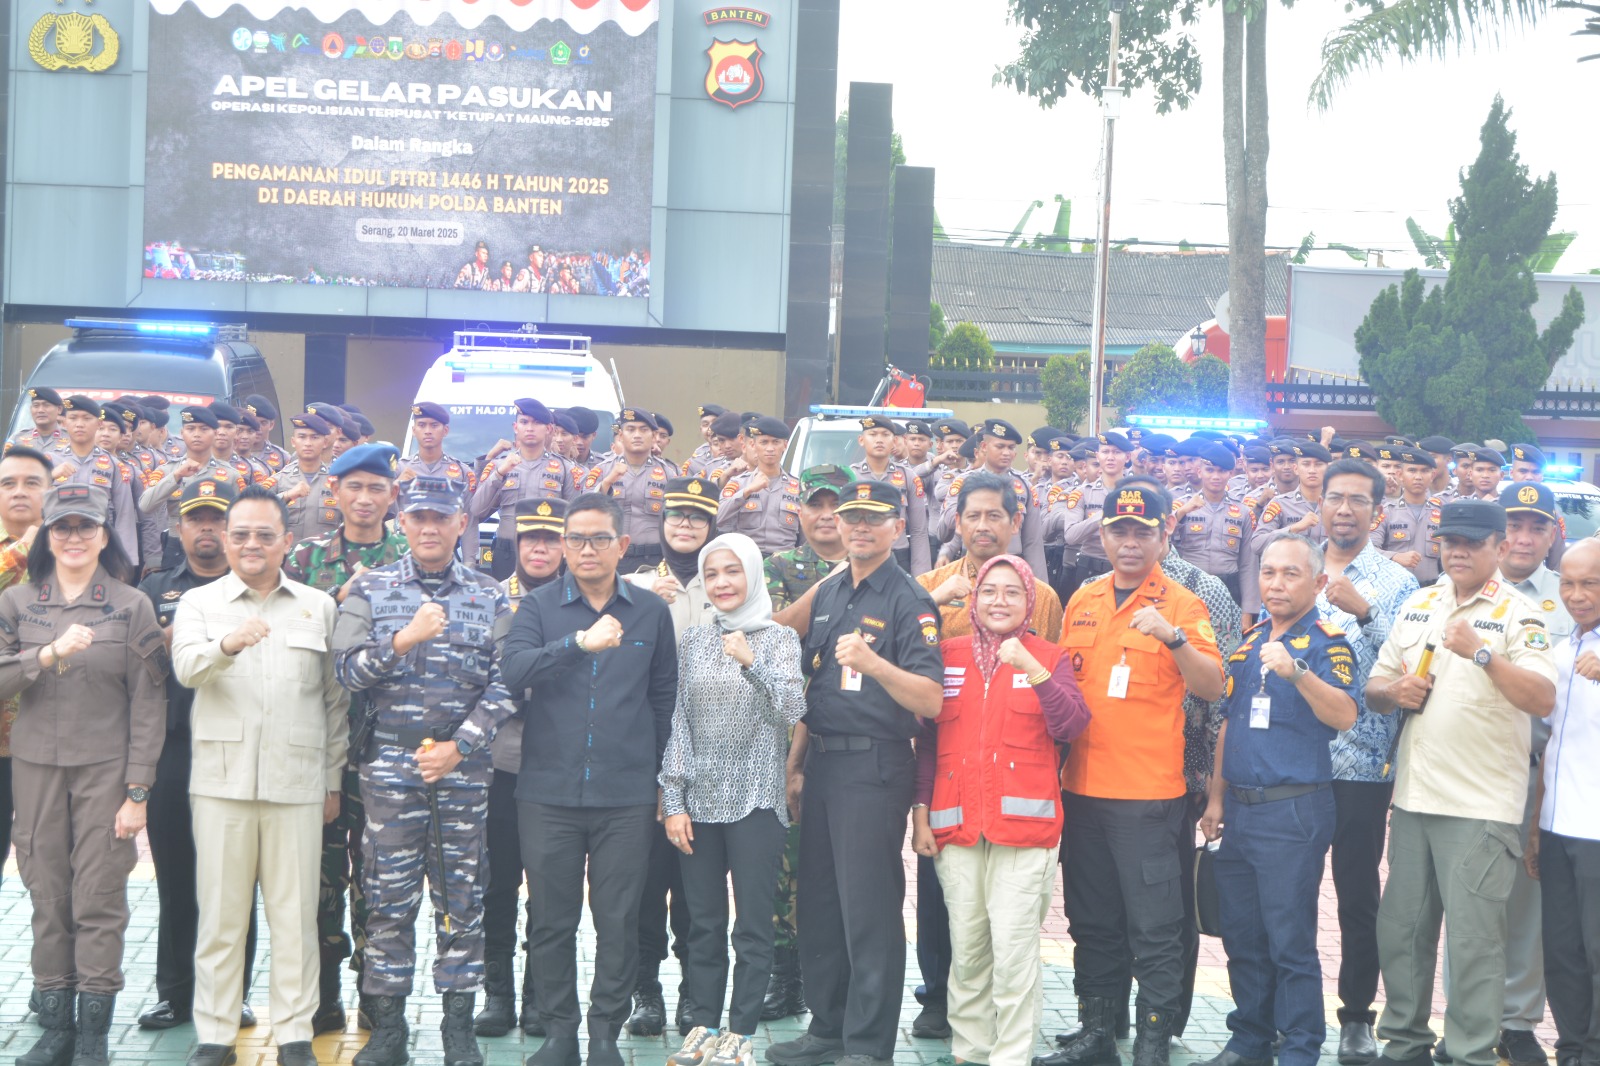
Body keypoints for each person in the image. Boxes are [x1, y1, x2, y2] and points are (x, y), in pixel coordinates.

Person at [1364, 499, 1557, 1066]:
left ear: (1500, 547)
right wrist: (1393, 692)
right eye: (1450, 541)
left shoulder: (1522, 614)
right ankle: (1404, 1046)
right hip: (1414, 797)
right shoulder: (1419, 603)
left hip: (1480, 807)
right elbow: (1375, 687)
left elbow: (1542, 698)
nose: (1459, 551)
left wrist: (1482, 654)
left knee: (1473, 944)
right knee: (1402, 933)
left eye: (1473, 542)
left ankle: (1472, 1053)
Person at [333, 476, 518, 1066]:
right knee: (387, 897)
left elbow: (509, 683)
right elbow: (345, 671)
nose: (430, 528)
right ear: (402, 523)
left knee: (463, 897)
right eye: (419, 518)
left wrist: (461, 745)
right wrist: (402, 641)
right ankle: (388, 1029)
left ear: (462, 524)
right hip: (390, 766)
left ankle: (458, 1031)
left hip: (462, 769)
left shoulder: (490, 595)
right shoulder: (371, 588)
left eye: (442, 517)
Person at [1039, 482, 1224, 1066]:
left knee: (1155, 928)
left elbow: (1212, 686)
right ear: (1102, 534)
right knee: (1091, 920)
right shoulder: (1083, 599)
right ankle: (1097, 1032)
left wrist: (1173, 639)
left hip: (1147, 798)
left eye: (1142, 532)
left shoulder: (1182, 605)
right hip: (1082, 789)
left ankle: (1151, 1041)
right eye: (1119, 530)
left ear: (1164, 535)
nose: (1129, 542)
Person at [765, 479, 944, 1066]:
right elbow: (809, 676)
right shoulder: (832, 589)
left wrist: (875, 664)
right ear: (837, 525)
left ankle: (868, 1045)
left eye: (874, 517)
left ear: (898, 527)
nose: (860, 527)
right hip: (822, 760)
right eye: (851, 517)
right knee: (820, 904)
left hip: (874, 765)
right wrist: (796, 765)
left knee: (868, 910)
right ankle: (829, 1027)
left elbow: (931, 699)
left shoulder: (909, 599)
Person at [499, 492, 680, 1066]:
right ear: (563, 545)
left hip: (625, 794)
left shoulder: (649, 611)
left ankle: (604, 1033)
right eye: (575, 539)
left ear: (622, 545)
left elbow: (664, 700)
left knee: (618, 919)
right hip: (547, 791)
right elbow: (514, 671)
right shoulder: (538, 606)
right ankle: (559, 1033)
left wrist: (662, 782)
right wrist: (578, 643)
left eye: (599, 538)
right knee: (552, 920)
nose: (585, 549)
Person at [170, 485, 348, 1066]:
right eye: (241, 534)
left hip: (297, 784)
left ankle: (294, 1034)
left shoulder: (317, 606)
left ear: (287, 541)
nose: (252, 544)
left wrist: (332, 779)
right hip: (221, 784)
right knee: (221, 919)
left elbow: (334, 700)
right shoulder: (200, 603)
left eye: (264, 535)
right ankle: (216, 1035)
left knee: (294, 918)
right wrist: (227, 643)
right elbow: (187, 668)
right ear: (225, 540)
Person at [0, 483, 167, 1066]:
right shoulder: (18, 602)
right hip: (36, 771)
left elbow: (149, 703)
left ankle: (93, 1034)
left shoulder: (130, 604)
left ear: (104, 536)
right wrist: (45, 654)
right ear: (47, 536)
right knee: (48, 898)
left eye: (85, 527)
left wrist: (137, 791)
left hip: (105, 771)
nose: (74, 537)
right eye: (63, 527)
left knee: (98, 899)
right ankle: (56, 1029)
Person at [912, 554, 1090, 1066]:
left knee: (1013, 955)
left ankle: (1010, 1057)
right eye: (989, 591)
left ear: (1029, 602)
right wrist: (920, 810)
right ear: (973, 599)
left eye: (1013, 592)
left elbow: (1072, 725)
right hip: (956, 827)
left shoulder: (1049, 656)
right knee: (968, 952)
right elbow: (927, 743)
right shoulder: (947, 655)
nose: (999, 601)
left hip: (1025, 831)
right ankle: (970, 1052)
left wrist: (1033, 670)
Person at [1196, 535, 1358, 1066]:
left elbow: (1345, 715)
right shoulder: (1250, 641)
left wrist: (1297, 671)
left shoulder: (1328, 643)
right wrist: (1216, 800)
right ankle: (1250, 1038)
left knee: (1289, 939)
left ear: (1317, 582)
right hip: (1241, 810)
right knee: (1242, 936)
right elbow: (1229, 724)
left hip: (1293, 811)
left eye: (1291, 573)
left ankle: (1301, 1047)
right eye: (1268, 573)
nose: (1277, 584)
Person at [1435, 483, 1575, 1066]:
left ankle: (1517, 1022)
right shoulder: (1450, 591)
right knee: (1466, 905)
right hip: (1471, 768)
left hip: (1542, 774)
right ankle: (1464, 1021)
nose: (1523, 538)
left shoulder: (1571, 596)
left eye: (1536, 527)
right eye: (1513, 526)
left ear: (1553, 535)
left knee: (1525, 907)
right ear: (1496, 536)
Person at [661, 532, 807, 1066]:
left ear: (752, 575)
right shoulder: (694, 641)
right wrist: (673, 798)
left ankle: (740, 1031)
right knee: (702, 924)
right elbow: (678, 721)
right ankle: (703, 1024)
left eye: (732, 571)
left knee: (751, 925)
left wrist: (752, 662)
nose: (722, 583)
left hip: (756, 800)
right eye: (712, 574)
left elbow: (791, 710)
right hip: (699, 802)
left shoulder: (778, 639)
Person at [283, 443, 410, 1034]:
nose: (364, 498)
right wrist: (337, 605)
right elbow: (283, 635)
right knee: (319, 872)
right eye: (353, 487)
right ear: (332, 492)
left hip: (388, 741)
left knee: (382, 876)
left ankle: (376, 995)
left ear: (392, 495)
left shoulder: (410, 556)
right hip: (319, 740)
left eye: (376, 488)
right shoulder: (304, 558)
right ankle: (323, 992)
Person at [136, 478, 263, 1034]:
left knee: (237, 878)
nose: (206, 529)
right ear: (179, 527)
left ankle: (233, 994)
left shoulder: (258, 588)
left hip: (238, 744)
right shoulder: (155, 589)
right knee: (175, 876)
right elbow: (131, 672)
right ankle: (175, 993)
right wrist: (160, 651)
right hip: (175, 747)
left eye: (216, 519)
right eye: (195, 519)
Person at [1311, 459, 1420, 1064]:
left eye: (1358, 500)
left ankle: (1357, 1017)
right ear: (1320, 504)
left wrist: (1364, 611)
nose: (1345, 509)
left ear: (1377, 513)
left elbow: (1408, 672)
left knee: (1356, 896)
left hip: (1362, 762)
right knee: (1289, 892)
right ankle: (1287, 1009)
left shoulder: (1396, 583)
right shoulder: (1294, 563)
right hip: (1296, 758)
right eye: (1336, 498)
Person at [618, 477, 721, 1036]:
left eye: (697, 517)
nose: (685, 525)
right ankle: (646, 992)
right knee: (643, 881)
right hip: (647, 751)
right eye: (677, 515)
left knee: (695, 885)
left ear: (712, 526)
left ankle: (692, 995)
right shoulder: (633, 584)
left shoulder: (724, 583)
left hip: (707, 755)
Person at [760, 464, 855, 1023]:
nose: (825, 516)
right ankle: (785, 974)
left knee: (838, 859)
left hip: (849, 728)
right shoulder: (779, 567)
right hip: (786, 728)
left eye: (835, 505)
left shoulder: (877, 569)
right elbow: (776, 631)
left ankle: (834, 977)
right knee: (785, 856)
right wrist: (835, 581)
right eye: (814, 505)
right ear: (798, 511)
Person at [476, 499, 569, 1040]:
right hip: (502, 762)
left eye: (552, 538)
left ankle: (540, 995)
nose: (541, 548)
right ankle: (499, 993)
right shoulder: (491, 598)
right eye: (532, 537)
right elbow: (488, 676)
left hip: (558, 762)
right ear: (516, 541)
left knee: (550, 888)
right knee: (498, 886)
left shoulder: (579, 600)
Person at [1530, 538, 1600, 1066]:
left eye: (1590, 583)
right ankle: (1572, 1047)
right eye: (1569, 583)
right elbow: (1546, 748)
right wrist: (1534, 829)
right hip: (1557, 828)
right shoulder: (1557, 655)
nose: (1577, 595)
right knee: (1562, 950)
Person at [471, 398, 582, 578]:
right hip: (507, 551)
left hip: (547, 552)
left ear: (549, 429)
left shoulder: (565, 468)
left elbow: (575, 519)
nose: (530, 428)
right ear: (516, 427)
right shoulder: (498, 466)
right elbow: (476, 510)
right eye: (524, 422)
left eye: (537, 423)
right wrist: (499, 474)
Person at [938, 419, 1048, 579]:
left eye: (1011, 447)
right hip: (973, 564)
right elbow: (949, 524)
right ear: (984, 447)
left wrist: (1038, 584)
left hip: (1012, 567)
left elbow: (1033, 543)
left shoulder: (1025, 487)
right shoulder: (964, 482)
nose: (1006, 452)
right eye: (1000, 446)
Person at [48, 396, 141, 565]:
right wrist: (49, 477)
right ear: (64, 423)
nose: (79, 424)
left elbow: (124, 515)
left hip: (100, 550)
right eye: (73, 418)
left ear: (98, 423)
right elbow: (33, 505)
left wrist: (125, 561)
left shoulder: (114, 465)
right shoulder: (48, 461)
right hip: (56, 547)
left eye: (86, 418)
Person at [588, 409, 676, 573]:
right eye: (630, 429)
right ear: (621, 436)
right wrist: (607, 482)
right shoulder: (603, 469)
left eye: (643, 430)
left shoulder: (667, 473)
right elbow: (585, 510)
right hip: (610, 557)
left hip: (652, 559)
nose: (637, 435)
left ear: (654, 436)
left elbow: (675, 518)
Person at [1170, 441, 1252, 604]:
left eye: (1222, 471)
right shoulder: (1181, 506)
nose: (1216, 476)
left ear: (1230, 474)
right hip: (1188, 583)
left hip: (1229, 586)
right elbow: (1160, 540)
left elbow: (1248, 564)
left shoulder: (1243, 511)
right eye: (1210, 470)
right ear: (1199, 472)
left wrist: (1249, 609)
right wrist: (1181, 513)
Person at [849, 415, 931, 575]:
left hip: (898, 558)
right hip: (860, 557)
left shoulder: (908, 476)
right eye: (873, 434)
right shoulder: (850, 476)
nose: (879, 440)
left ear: (894, 441)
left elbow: (919, 531)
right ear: (861, 440)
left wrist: (921, 576)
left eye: (885, 435)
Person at [718, 416, 803, 556]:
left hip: (785, 560)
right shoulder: (738, 483)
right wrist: (747, 491)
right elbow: (718, 518)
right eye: (764, 442)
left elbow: (806, 533)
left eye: (776, 442)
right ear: (753, 445)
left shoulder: (798, 487)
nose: (770, 448)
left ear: (785, 445)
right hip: (748, 557)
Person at [1370, 448, 1445, 587]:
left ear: (1432, 475)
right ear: (1400, 475)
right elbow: (1369, 549)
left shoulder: (1442, 514)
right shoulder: (1387, 512)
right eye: (1412, 470)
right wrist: (1394, 556)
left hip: (1431, 589)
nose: (1418, 477)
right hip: (1394, 587)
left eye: (1424, 471)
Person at [399, 402, 477, 491]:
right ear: (414, 430)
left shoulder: (462, 471)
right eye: (422, 425)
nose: (428, 431)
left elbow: (474, 500)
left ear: (445, 431)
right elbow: (386, 498)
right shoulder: (400, 469)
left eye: (434, 425)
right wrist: (397, 485)